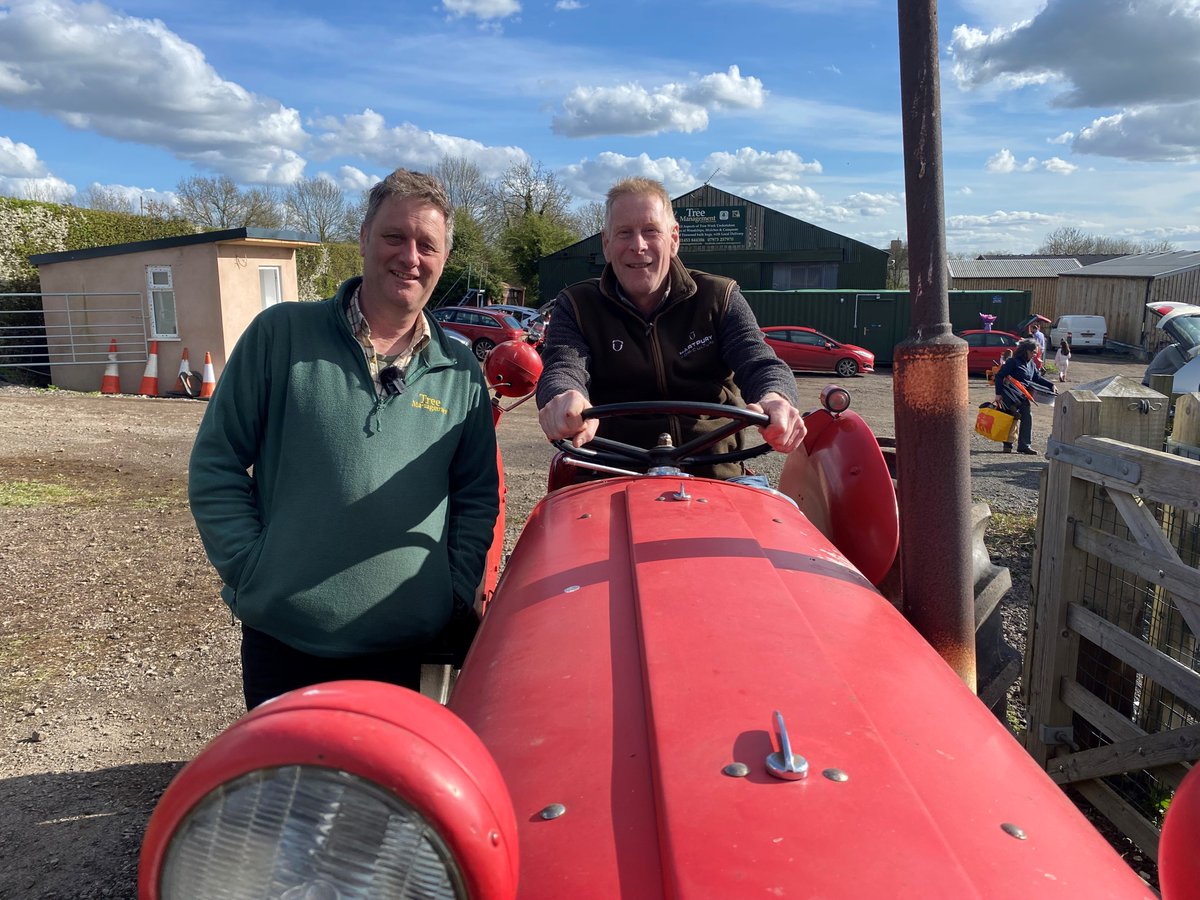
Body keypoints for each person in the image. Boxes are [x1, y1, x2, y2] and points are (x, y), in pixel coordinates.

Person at [188, 168, 499, 710]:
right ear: (363, 239)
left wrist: (451, 588)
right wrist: (251, 567)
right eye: (394, 237)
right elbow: (216, 463)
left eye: (427, 245)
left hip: (404, 645)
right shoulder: (280, 336)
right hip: (286, 637)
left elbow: (476, 494)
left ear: (443, 259)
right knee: (288, 787)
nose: (410, 256)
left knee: (384, 793)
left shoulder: (460, 370)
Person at [536, 177, 805, 480]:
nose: (638, 246)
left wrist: (775, 397)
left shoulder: (719, 297)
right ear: (607, 245)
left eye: (651, 231)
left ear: (674, 238)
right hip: (609, 474)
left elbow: (759, 361)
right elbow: (562, 365)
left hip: (715, 474)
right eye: (625, 233)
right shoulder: (577, 305)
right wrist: (565, 395)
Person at [995, 338, 1056, 455]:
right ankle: (1007, 445)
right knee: (1010, 419)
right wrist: (998, 394)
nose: (1034, 355)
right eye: (1033, 352)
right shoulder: (1013, 362)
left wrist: (1051, 385)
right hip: (1009, 395)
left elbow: (1036, 378)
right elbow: (999, 376)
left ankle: (1024, 446)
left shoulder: (1031, 364)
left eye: (1035, 353)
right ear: (1026, 350)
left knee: (1027, 417)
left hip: (1023, 396)